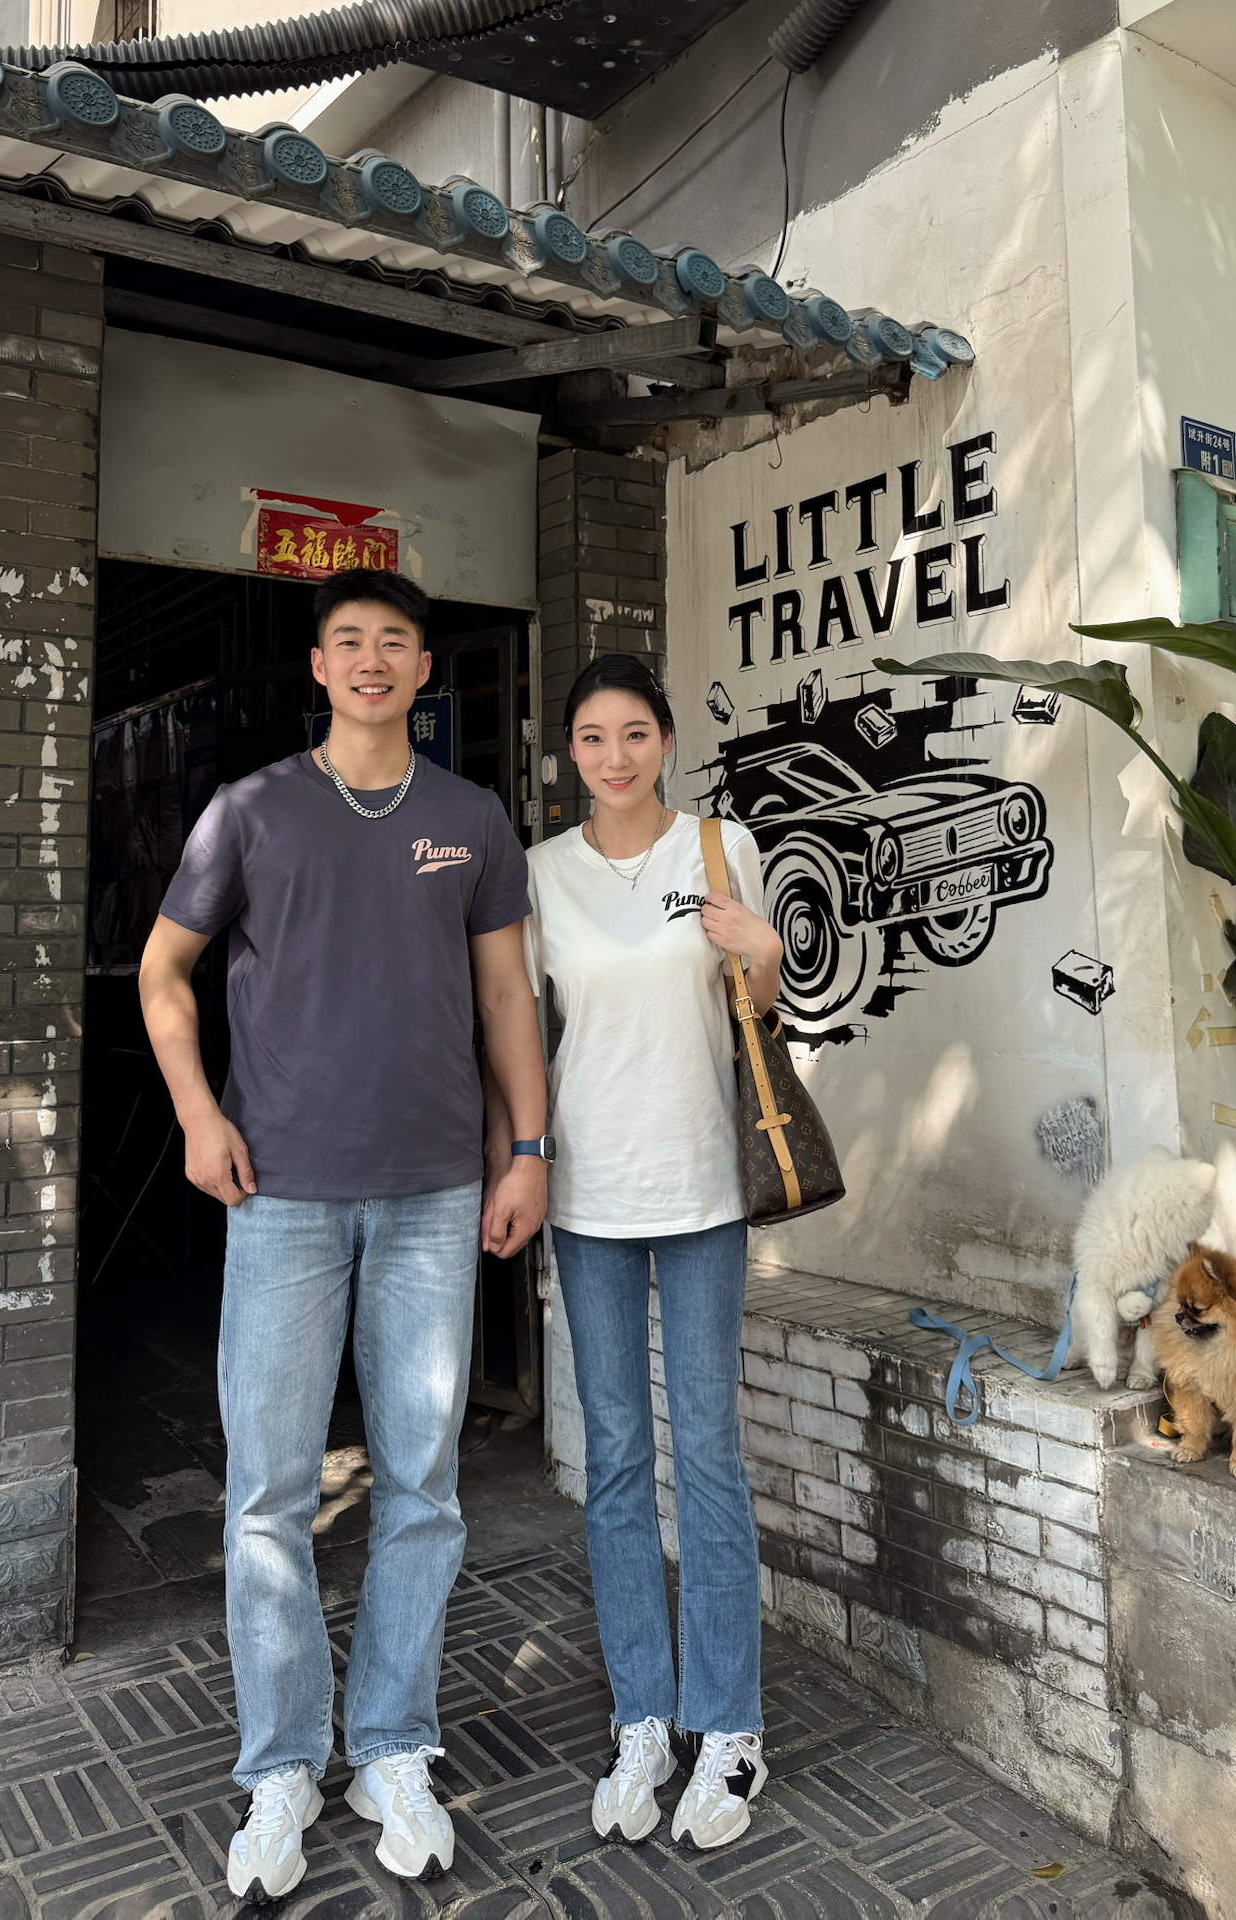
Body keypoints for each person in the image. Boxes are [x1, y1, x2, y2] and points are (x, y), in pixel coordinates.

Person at [140, 570, 549, 1902]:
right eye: (350, 642)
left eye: (396, 643)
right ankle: (281, 1764)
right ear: (320, 667)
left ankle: (391, 1747)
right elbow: (162, 971)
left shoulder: (469, 817)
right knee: (269, 1491)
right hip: (282, 1196)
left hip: (434, 1193)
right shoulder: (251, 810)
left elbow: (507, 997)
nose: (373, 661)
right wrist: (198, 1114)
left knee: (422, 1484)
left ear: (424, 669)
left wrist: (527, 1151)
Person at [487, 652, 782, 1852]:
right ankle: (642, 1719)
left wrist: (762, 950)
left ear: (666, 740)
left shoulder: (719, 847)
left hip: (702, 1186)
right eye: (593, 738)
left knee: (705, 1454)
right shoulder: (540, 872)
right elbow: (517, 1024)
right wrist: (521, 1155)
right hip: (589, 1193)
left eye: (635, 734)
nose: (615, 757)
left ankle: (730, 1727)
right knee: (615, 1460)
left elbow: (760, 1011)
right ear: (570, 753)